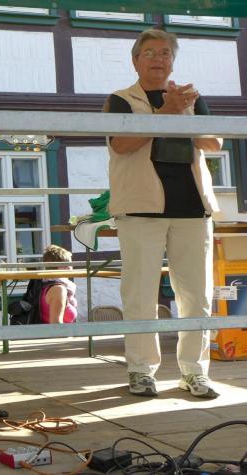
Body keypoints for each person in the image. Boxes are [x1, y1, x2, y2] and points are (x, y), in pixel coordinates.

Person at [105, 28, 221, 399]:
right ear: (135, 61)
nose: (159, 59)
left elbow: (213, 142)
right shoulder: (120, 100)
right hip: (141, 207)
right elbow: (121, 144)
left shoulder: (191, 97)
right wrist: (164, 112)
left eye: (166, 53)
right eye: (151, 52)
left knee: (197, 296)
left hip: (192, 208)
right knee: (140, 294)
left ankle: (195, 372)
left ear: (173, 61)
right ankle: (141, 371)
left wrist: (184, 111)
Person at [39, 245, 77, 324]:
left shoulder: (46, 284)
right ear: (62, 266)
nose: (71, 268)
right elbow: (56, 324)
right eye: (69, 264)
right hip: (59, 332)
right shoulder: (58, 289)